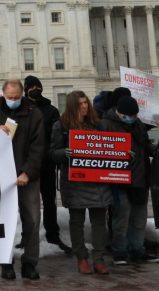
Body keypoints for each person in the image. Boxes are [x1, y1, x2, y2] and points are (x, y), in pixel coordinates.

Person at [0, 79, 45, 280]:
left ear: (22, 95)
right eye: (10, 97)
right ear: (3, 94)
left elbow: (38, 146)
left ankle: (30, 262)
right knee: (4, 222)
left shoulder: (34, 113)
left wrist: (27, 172)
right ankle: (6, 262)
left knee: (32, 220)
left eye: (16, 97)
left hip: (27, 176)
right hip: (1, 176)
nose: (13, 100)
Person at [50, 91, 111, 275]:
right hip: (74, 181)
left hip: (97, 180)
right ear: (72, 106)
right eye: (80, 104)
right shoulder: (61, 125)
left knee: (99, 222)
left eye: (85, 102)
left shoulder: (98, 124)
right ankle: (81, 258)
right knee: (77, 221)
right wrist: (65, 152)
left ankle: (98, 258)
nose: (84, 106)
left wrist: (123, 153)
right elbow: (52, 153)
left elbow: (110, 146)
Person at [103, 95, 159, 264]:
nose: (131, 118)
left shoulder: (138, 124)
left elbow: (145, 144)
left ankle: (137, 249)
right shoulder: (106, 125)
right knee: (121, 217)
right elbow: (102, 150)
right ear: (119, 112)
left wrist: (156, 149)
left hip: (140, 177)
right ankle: (120, 251)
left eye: (134, 115)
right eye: (128, 115)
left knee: (139, 217)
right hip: (119, 178)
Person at [24, 75, 71, 254]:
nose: (35, 89)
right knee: (27, 203)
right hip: (26, 165)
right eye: (31, 87)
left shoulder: (51, 110)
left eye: (38, 86)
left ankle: (52, 234)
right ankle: (27, 236)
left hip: (46, 163)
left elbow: (55, 135)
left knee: (49, 201)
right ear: (26, 89)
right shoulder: (20, 108)